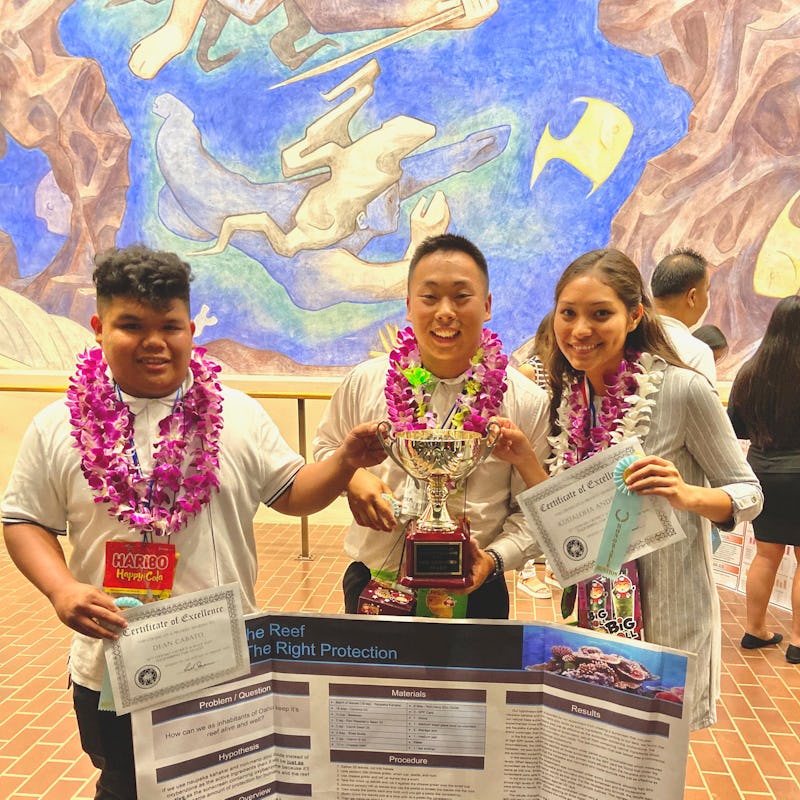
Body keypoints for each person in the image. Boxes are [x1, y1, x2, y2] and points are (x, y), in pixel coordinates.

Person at [1, 245, 387, 800]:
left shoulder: (239, 413)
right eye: (131, 325)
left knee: (235, 785)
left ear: (189, 328)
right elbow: (23, 519)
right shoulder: (56, 424)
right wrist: (61, 589)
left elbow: (292, 494)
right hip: (113, 662)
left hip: (227, 658)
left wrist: (344, 462)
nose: (154, 342)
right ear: (98, 327)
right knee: (124, 785)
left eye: (170, 326)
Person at [491, 248, 762, 730]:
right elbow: (567, 512)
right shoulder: (569, 397)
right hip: (594, 613)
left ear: (635, 314)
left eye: (601, 314)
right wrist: (525, 466)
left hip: (670, 613)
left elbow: (748, 493)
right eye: (568, 314)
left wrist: (686, 495)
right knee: (598, 749)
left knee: (657, 754)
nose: (579, 330)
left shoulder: (682, 390)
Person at [313, 233, 551, 618]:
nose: (445, 312)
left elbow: (533, 510)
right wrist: (351, 477)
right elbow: (325, 448)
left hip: (476, 591)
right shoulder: (366, 381)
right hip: (377, 586)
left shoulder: (524, 401)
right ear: (409, 306)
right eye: (429, 297)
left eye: (461, 297)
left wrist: (493, 559)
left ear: (487, 305)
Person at [727, 296, 800, 664]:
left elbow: (735, 427)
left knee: (765, 555)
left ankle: (755, 630)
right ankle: (799, 641)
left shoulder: (750, 371)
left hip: (762, 472)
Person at [516, 312, 556, 599]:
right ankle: (526, 573)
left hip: (556, 451)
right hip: (530, 451)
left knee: (554, 510)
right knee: (528, 508)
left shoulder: (564, 370)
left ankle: (554, 566)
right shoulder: (531, 370)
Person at [650, 248, 716, 384]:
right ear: (692, 296)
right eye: (706, 290)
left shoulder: (628, 339)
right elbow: (703, 405)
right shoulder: (697, 353)